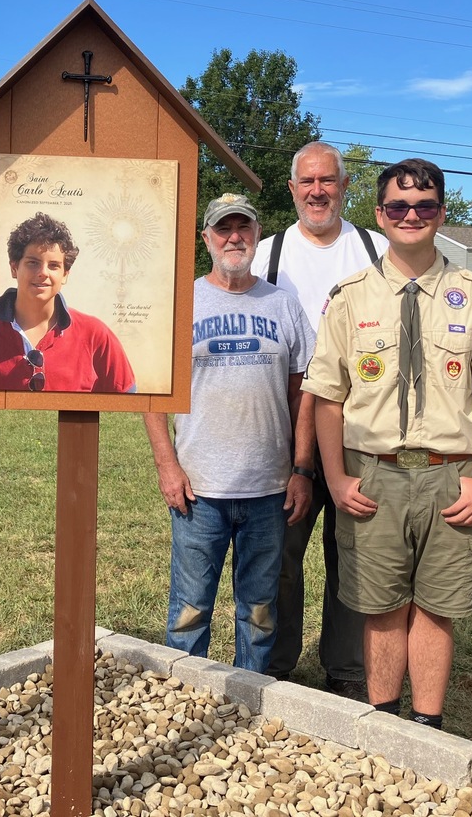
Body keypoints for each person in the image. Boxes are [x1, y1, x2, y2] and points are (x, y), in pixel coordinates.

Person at [305, 158, 472, 728]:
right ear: (379, 215)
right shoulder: (351, 296)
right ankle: (384, 721)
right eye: (399, 207)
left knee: (438, 607)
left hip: (450, 475)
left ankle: (427, 726)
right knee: (381, 607)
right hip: (373, 472)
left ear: (441, 213)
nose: (411, 215)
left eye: (424, 205)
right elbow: (328, 396)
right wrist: (334, 477)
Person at [144, 193, 314, 673]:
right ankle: (181, 701)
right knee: (189, 611)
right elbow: (152, 394)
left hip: (269, 489)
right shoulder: (182, 303)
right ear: (207, 239)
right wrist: (167, 465)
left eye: (244, 227)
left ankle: (249, 699)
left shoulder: (284, 305)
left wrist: (302, 468)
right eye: (223, 229)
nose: (234, 237)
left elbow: (304, 395)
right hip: (199, 490)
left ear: (258, 235)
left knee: (259, 613)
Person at [251, 141, 388, 697]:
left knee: (352, 550)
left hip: (361, 424)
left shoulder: (375, 249)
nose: (317, 191)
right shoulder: (267, 254)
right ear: (292, 189)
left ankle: (347, 671)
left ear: (345, 186)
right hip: (286, 424)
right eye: (307, 182)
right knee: (281, 550)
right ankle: (276, 664)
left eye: (328, 181)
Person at [0, 211, 136, 392]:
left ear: (65, 275)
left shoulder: (96, 334)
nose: (43, 272)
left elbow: (127, 400)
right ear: (14, 268)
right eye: (33, 262)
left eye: (54, 265)